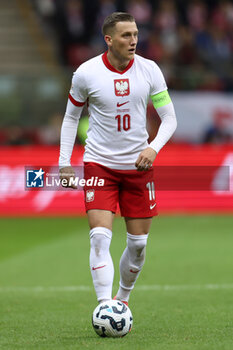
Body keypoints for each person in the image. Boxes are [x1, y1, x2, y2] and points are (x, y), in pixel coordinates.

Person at [59, 12, 177, 305]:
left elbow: (169, 118)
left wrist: (153, 148)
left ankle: (122, 299)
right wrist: (64, 162)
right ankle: (104, 306)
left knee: (137, 245)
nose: (134, 40)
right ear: (108, 40)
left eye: (136, 34)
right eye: (126, 35)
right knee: (99, 237)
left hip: (138, 167)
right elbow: (71, 117)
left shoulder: (150, 70)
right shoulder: (86, 73)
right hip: (99, 165)